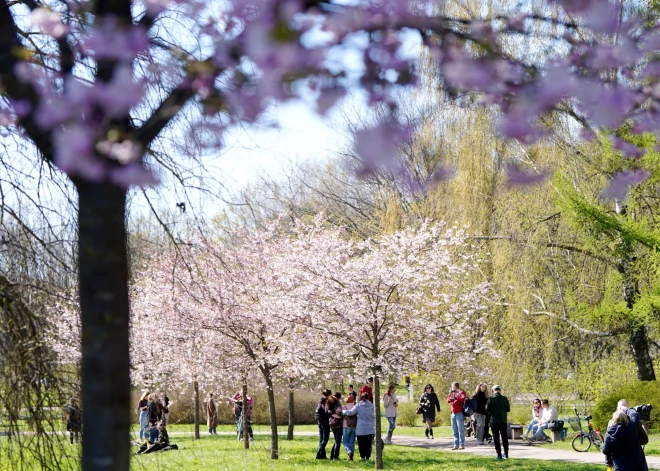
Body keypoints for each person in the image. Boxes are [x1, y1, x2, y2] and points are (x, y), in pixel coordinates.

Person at [615, 399, 648, 471]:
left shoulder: (611, 424)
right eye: (622, 408)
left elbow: (607, 446)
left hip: (619, 463)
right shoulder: (634, 423)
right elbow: (644, 439)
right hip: (635, 462)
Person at [342, 392, 375, 461]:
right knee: (368, 444)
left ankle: (362, 457)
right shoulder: (372, 406)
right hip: (370, 428)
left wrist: (344, 412)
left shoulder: (359, 405)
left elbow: (351, 412)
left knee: (361, 444)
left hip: (361, 429)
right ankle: (368, 457)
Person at [485, 384, 510, 460]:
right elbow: (508, 409)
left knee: (496, 438)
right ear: (500, 390)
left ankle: (499, 455)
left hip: (494, 421)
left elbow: (486, 409)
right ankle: (506, 454)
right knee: (504, 438)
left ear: (493, 391)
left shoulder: (491, 399)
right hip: (503, 420)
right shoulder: (504, 398)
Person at [447, 382, 467, 450]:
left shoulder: (461, 392)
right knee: (454, 430)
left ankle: (462, 444)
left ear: (455, 386)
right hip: (453, 413)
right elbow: (448, 400)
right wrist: (451, 395)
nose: (452, 388)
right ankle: (456, 444)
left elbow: (462, 399)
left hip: (459, 413)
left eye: (452, 386)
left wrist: (456, 395)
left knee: (460, 429)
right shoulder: (452, 392)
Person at [326, 392, 343, 460]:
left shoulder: (329, 404)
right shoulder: (337, 404)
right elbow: (340, 414)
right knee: (338, 441)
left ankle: (332, 455)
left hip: (332, 424)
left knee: (336, 440)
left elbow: (327, 412)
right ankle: (335, 456)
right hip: (338, 424)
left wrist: (332, 415)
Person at [316, 389, 332, 459]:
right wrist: (331, 413)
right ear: (329, 394)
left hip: (319, 421)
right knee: (325, 439)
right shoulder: (327, 401)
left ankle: (323, 455)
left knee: (321, 439)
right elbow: (326, 411)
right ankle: (318, 454)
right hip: (325, 422)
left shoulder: (320, 401)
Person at [342, 394, 357, 460]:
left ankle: (349, 451)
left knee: (345, 441)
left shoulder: (344, 407)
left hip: (346, 425)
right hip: (354, 425)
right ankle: (351, 456)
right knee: (352, 441)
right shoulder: (355, 407)